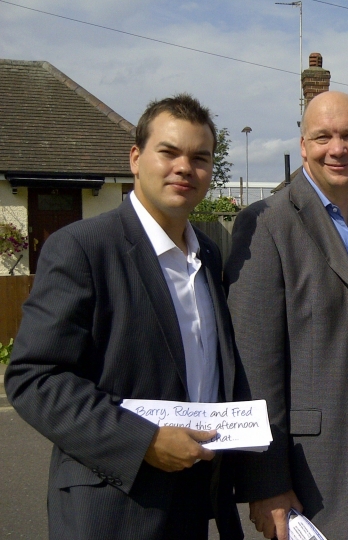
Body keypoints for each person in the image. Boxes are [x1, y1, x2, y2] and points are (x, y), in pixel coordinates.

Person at [4, 94, 246, 540]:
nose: (184, 168)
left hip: (196, 504)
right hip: (113, 509)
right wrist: (145, 442)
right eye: (168, 152)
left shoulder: (209, 256)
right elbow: (34, 378)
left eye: (200, 158)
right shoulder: (82, 248)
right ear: (135, 159)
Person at [224, 91, 348, 540]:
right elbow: (254, 365)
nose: (338, 148)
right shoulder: (265, 223)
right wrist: (266, 482)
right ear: (304, 143)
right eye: (323, 136)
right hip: (313, 463)